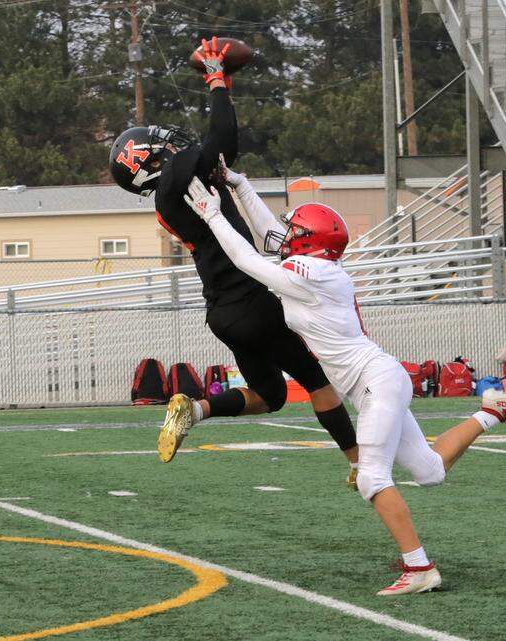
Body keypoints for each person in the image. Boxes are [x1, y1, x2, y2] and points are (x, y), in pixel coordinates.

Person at [182, 173, 506, 595]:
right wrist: (241, 187)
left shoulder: (311, 272)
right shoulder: (316, 265)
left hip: (375, 381)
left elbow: (248, 259)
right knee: (429, 472)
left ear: (310, 240)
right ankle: (492, 411)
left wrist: (213, 216)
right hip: (375, 381)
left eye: (297, 231)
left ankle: (420, 567)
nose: (287, 235)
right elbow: (269, 239)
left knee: (371, 478)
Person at [107, 38, 359, 478]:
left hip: (223, 312)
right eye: (160, 144)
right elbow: (224, 138)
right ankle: (361, 464)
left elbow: (218, 154)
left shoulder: (167, 200)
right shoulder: (176, 179)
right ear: (147, 162)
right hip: (254, 300)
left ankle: (196, 410)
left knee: (270, 396)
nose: (171, 145)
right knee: (320, 383)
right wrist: (216, 77)